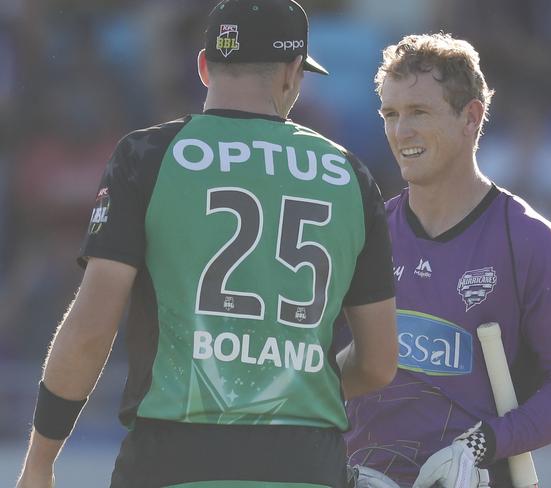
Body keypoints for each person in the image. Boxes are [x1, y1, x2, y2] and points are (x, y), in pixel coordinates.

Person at [16, 1, 398, 487]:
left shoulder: (149, 156)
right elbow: (380, 361)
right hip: (306, 464)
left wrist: (41, 458)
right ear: (292, 73)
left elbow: (91, 329)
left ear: (203, 66)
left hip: (171, 459)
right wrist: (287, 378)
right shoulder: (350, 174)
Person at [343, 33, 551, 488]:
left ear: (472, 116)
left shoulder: (530, 241)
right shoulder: (364, 234)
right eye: (390, 114)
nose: (400, 131)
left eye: (419, 112)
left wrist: (485, 442)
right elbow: (323, 368)